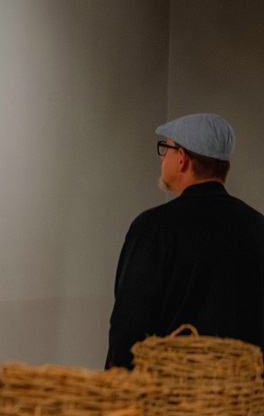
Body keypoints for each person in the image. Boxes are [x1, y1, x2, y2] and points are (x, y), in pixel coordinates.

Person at [106, 113, 264, 369]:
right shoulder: (258, 227)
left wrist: (118, 381)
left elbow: (129, 326)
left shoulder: (153, 228)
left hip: (172, 389)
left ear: (182, 158)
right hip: (244, 389)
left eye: (166, 148)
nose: (162, 157)